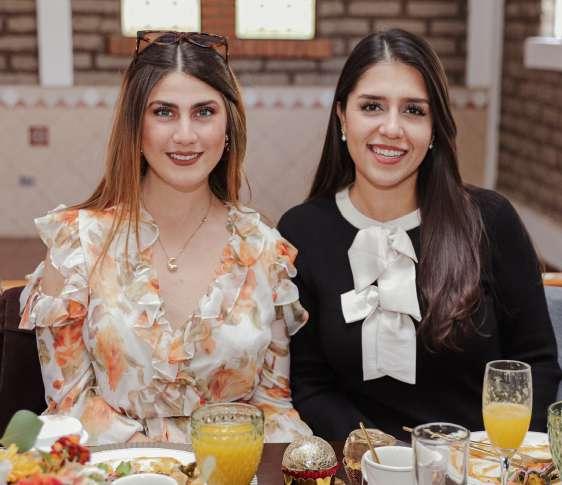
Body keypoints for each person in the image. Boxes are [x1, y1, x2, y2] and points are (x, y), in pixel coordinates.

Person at [19, 31, 311, 445]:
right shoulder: (77, 244)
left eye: (204, 112)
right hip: (114, 469)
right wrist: (157, 461)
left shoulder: (264, 251)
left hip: (231, 469)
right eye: (164, 112)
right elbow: (68, 405)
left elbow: (273, 407)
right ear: (135, 128)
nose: (185, 135)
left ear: (228, 126)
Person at [278, 29, 561, 441]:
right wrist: (380, 455)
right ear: (342, 116)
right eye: (372, 106)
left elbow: (535, 364)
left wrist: (494, 458)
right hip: (362, 465)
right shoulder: (301, 231)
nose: (392, 128)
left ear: (434, 128)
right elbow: (309, 385)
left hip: (482, 462)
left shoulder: (491, 220)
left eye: (413, 110)